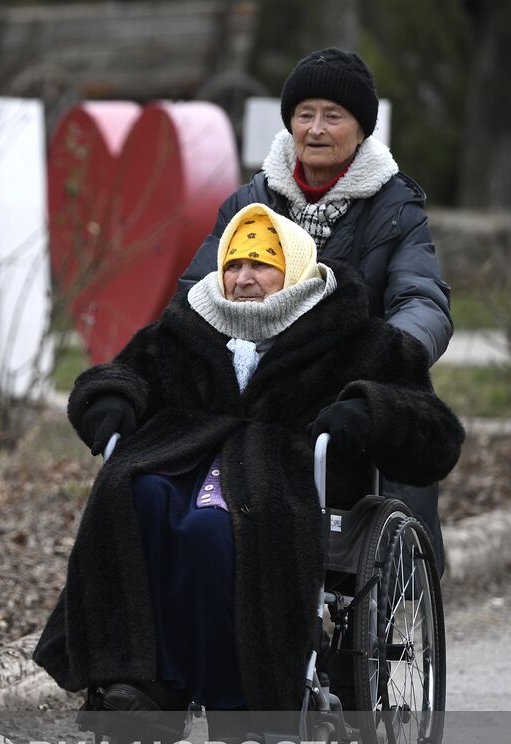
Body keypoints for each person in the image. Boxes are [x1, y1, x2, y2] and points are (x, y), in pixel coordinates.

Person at [33, 203, 464, 744]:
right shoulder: (190, 325)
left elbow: (433, 428)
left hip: (284, 479)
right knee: (135, 497)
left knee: (218, 530)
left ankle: (248, 714)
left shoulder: (351, 333)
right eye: (234, 263)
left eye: (261, 264)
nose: (243, 277)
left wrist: (370, 410)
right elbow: (125, 372)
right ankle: (139, 687)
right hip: (184, 460)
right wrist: (110, 399)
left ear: (296, 267)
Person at [176, 47, 453, 571]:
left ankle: (397, 575)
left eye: (334, 115)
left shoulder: (395, 210)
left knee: (391, 425)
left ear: (362, 129)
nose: (317, 130)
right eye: (305, 114)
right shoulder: (249, 203)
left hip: (351, 383)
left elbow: (422, 299)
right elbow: (195, 290)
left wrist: (388, 356)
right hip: (258, 382)